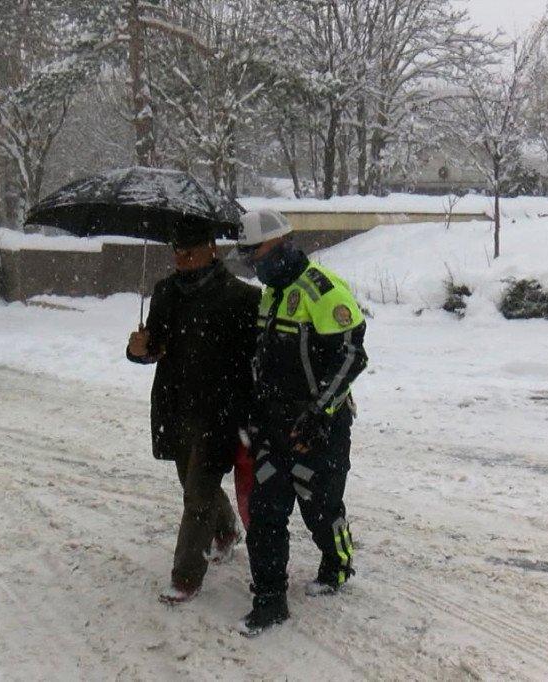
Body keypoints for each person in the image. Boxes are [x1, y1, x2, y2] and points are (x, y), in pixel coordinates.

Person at [233, 208, 368, 637]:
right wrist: (253, 412)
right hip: (274, 425)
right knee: (265, 512)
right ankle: (269, 599)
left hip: (320, 426)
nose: (252, 264)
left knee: (321, 507)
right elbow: (263, 361)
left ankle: (337, 562)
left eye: (255, 253)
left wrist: (319, 413)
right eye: (246, 256)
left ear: (279, 244)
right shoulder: (270, 294)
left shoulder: (321, 289)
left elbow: (351, 356)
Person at [127, 224, 260, 605]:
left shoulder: (243, 297)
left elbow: (256, 359)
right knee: (191, 483)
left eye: (189, 252)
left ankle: (185, 576)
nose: (182, 260)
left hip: (219, 412)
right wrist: (140, 349)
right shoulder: (166, 292)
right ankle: (226, 530)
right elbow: (155, 346)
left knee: (198, 496)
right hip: (174, 406)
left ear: (212, 249)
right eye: (177, 253)